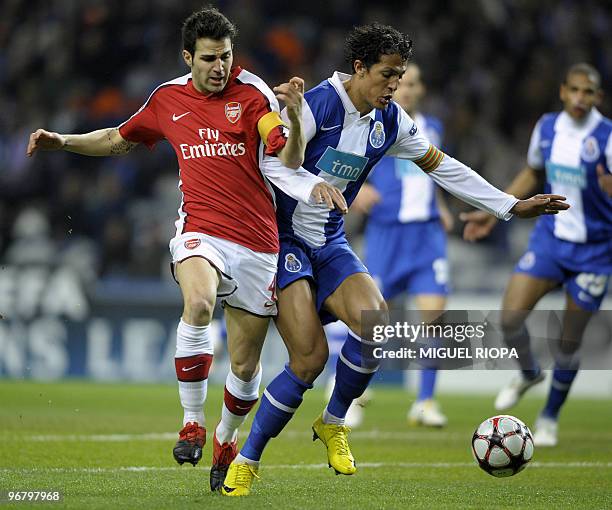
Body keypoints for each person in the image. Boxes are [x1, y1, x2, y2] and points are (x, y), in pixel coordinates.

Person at [221, 23, 568, 496]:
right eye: (387, 75)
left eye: (400, 76)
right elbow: (268, 162)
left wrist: (508, 205)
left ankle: (333, 422)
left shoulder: (392, 121)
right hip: (281, 241)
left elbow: (443, 166)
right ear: (359, 68)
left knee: (376, 323)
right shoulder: (318, 104)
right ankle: (248, 458)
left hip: (329, 240)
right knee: (309, 360)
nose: (394, 85)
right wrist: (302, 181)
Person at [26, 6, 347, 492]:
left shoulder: (254, 93)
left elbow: (288, 153)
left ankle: (224, 437)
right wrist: (63, 141)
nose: (220, 67)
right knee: (197, 304)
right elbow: (118, 138)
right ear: (187, 57)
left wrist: (296, 120)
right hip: (201, 229)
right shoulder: (167, 99)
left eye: (226, 57)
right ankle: (192, 423)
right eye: (210, 58)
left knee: (244, 366)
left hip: (258, 243)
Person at [461, 63, 611, 447]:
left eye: (588, 92)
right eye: (574, 90)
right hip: (550, 241)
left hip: (594, 251)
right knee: (510, 318)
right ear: (563, 91)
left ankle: (549, 417)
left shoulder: (608, 138)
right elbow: (532, 172)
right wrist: (498, 211)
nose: (580, 98)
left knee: (568, 342)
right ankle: (529, 372)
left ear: (598, 97)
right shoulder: (546, 128)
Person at [351, 62, 452, 428]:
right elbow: (346, 161)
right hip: (386, 233)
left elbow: (431, 173)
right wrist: (358, 187)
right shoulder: (373, 123)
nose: (407, 89)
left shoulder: (433, 128)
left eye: (413, 83)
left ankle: (425, 401)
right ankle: (354, 393)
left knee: (435, 321)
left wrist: (439, 207)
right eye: (402, 83)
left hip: (426, 236)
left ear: (421, 90)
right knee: (370, 320)